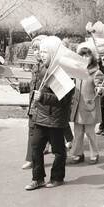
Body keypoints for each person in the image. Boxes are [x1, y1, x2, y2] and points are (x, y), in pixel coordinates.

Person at [25, 36, 74, 190]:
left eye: (46, 51)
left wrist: (44, 97)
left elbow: (65, 99)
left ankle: (57, 177)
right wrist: (22, 87)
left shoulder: (60, 72)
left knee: (58, 151)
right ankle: (38, 178)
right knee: (36, 147)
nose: (42, 54)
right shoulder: (43, 69)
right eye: (41, 51)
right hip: (41, 117)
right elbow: (37, 88)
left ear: (53, 53)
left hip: (55, 119)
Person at [69, 42, 104, 165]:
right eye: (82, 56)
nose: (84, 58)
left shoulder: (96, 72)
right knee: (78, 133)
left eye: (87, 55)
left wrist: (99, 89)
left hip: (89, 107)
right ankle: (78, 154)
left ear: (92, 57)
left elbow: (99, 84)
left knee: (90, 132)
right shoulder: (76, 71)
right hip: (78, 107)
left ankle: (95, 154)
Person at [18, 35, 47, 170]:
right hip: (34, 107)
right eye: (34, 49)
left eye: (39, 49)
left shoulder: (48, 68)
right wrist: (21, 87)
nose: (36, 52)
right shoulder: (36, 66)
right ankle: (31, 159)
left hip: (45, 109)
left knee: (52, 136)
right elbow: (33, 86)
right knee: (32, 134)